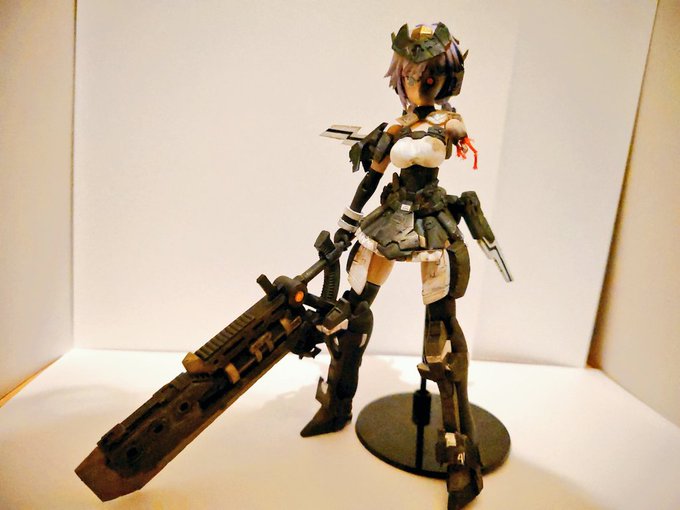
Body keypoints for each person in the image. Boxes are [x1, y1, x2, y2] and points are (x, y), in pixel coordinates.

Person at [304, 22, 509, 509]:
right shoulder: (392, 128)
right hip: (389, 219)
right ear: (400, 76)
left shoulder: (447, 122)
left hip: (433, 224)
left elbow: (450, 139)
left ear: (446, 77)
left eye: (429, 76)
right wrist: (346, 224)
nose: (419, 84)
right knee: (349, 313)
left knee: (440, 342)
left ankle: (460, 458)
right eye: (412, 75)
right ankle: (336, 404)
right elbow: (370, 181)